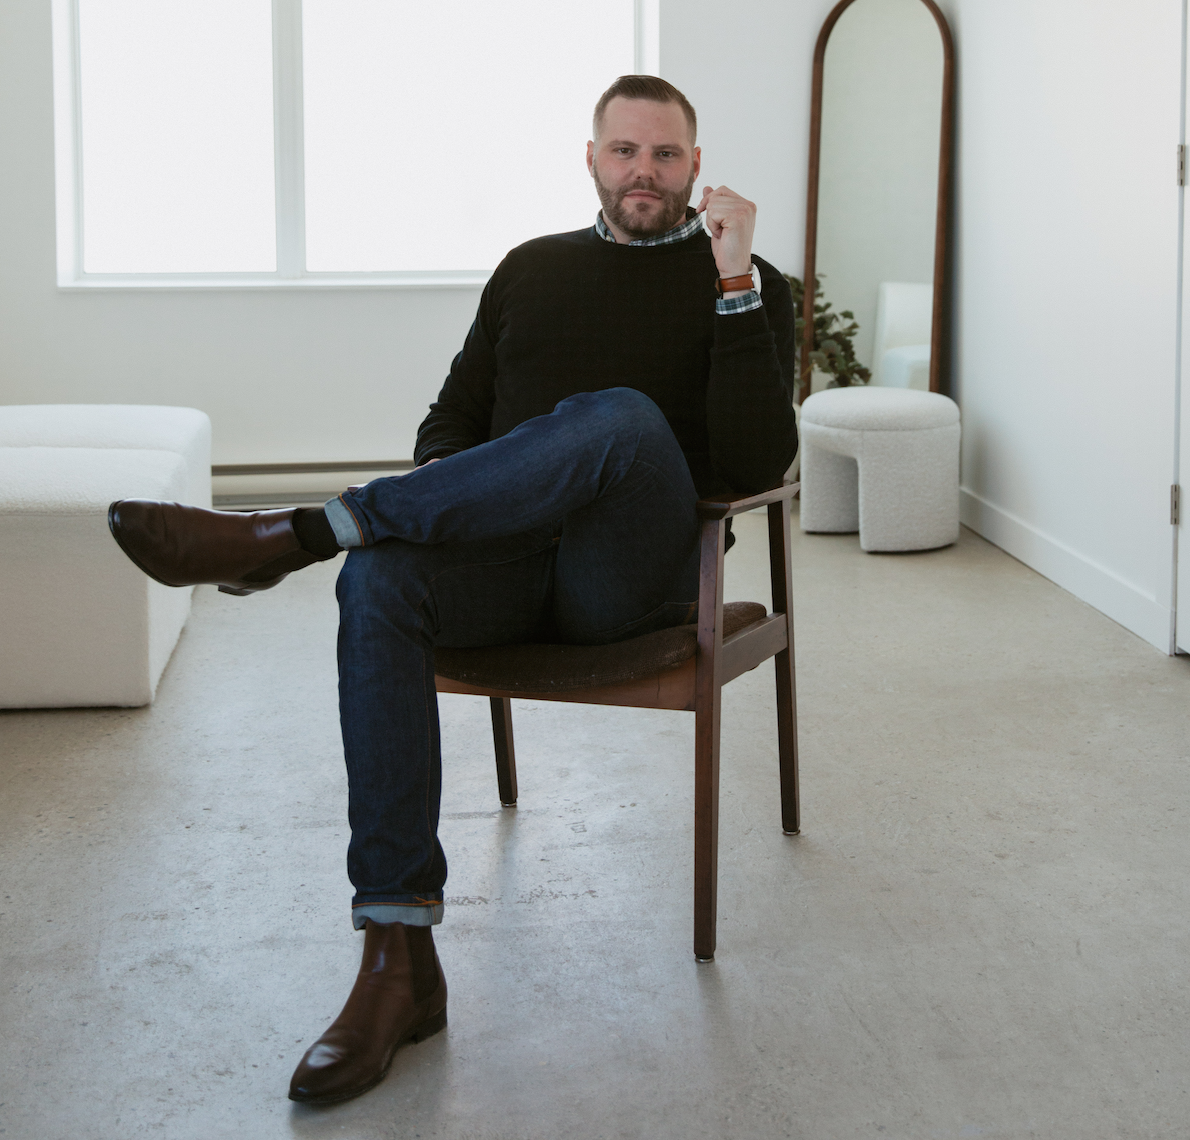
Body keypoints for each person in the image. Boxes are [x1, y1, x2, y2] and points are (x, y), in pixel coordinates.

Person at [107, 75, 798, 1105]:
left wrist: (733, 279)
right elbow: (451, 424)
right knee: (380, 579)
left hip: (630, 580)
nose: (643, 173)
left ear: (696, 167)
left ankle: (292, 534)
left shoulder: (744, 282)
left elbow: (756, 457)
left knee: (616, 416)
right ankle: (397, 959)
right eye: (624, 151)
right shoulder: (530, 269)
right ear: (591, 158)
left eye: (665, 156)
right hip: (507, 569)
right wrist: (460, 494)